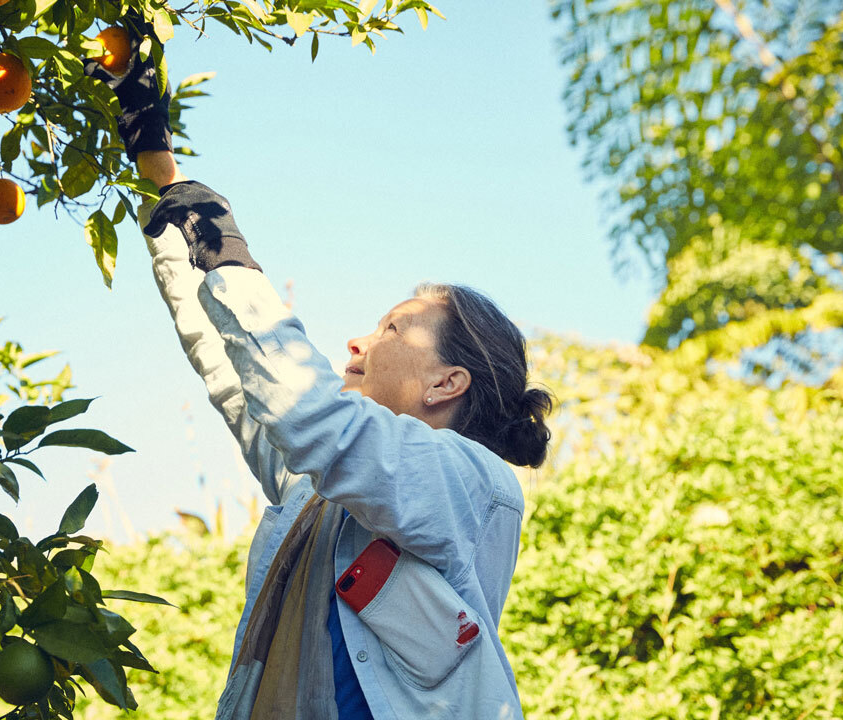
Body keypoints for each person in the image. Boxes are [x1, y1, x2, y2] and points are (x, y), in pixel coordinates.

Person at [86, 27, 552, 720]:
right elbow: (235, 364)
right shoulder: (315, 493)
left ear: (447, 382)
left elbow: (308, 412)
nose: (360, 341)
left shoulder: (473, 489)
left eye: (391, 326)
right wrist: (161, 173)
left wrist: (223, 236)